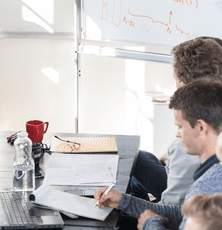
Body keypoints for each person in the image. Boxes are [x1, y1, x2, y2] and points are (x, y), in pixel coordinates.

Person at [95, 79, 222, 230]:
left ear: (200, 127)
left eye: (180, 127)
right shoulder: (212, 173)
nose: (177, 134)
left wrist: (151, 224)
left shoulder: (211, 184)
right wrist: (124, 201)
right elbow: (184, 217)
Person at [131, 37, 222, 204]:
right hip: (183, 182)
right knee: (143, 160)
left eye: (176, 81)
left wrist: (132, 208)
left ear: (186, 85)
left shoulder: (183, 148)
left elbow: (172, 212)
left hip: (179, 206)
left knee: (136, 162)